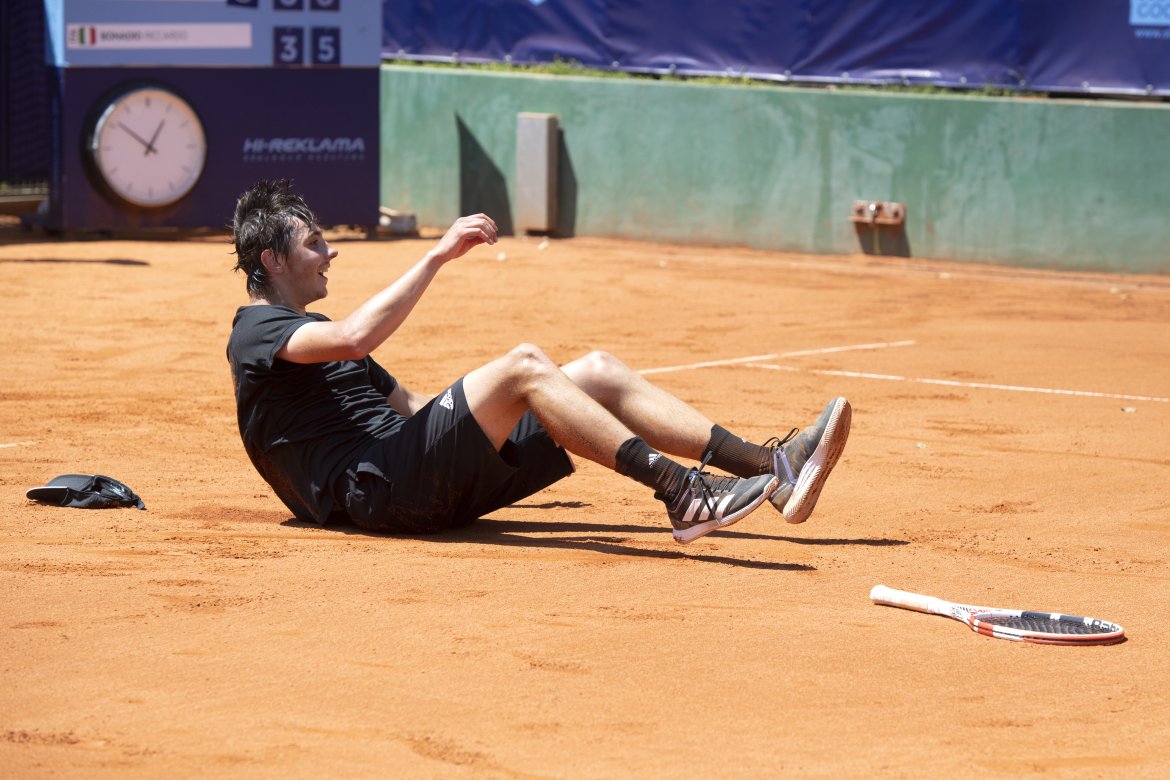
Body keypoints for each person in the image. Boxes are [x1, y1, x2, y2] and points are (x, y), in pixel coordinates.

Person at [226, 180, 851, 544]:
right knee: (523, 364)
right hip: (378, 493)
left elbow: (414, 409)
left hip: (415, 476)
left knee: (595, 372)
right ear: (272, 261)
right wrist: (437, 256)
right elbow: (357, 337)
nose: (330, 253)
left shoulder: (316, 334)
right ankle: (684, 493)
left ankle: (772, 467)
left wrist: (499, 417)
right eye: (314, 243)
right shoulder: (256, 331)